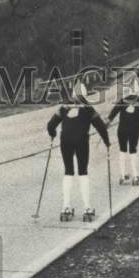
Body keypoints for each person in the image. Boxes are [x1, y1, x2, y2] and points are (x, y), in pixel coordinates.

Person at [46, 80, 110, 219]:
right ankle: (87, 208)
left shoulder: (64, 106)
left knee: (68, 171)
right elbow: (100, 126)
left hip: (65, 141)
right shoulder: (88, 108)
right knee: (83, 171)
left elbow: (50, 125)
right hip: (81, 141)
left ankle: (66, 207)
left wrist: (53, 134)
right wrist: (107, 142)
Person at [107, 77, 139, 186]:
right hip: (133, 130)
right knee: (133, 151)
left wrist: (108, 121)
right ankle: (135, 176)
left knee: (122, 150)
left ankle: (123, 175)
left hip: (122, 130)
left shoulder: (123, 100)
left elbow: (114, 112)